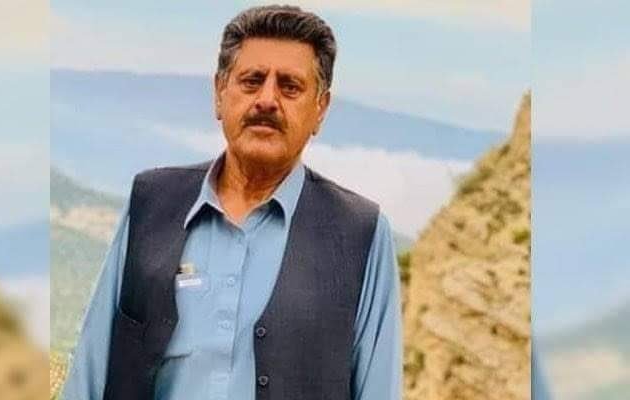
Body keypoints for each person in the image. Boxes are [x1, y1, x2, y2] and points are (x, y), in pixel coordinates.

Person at [61, 5, 401, 400]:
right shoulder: (151, 204)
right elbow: (90, 373)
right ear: (220, 93)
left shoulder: (360, 234)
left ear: (320, 109)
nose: (267, 99)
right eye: (252, 81)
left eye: (290, 86)